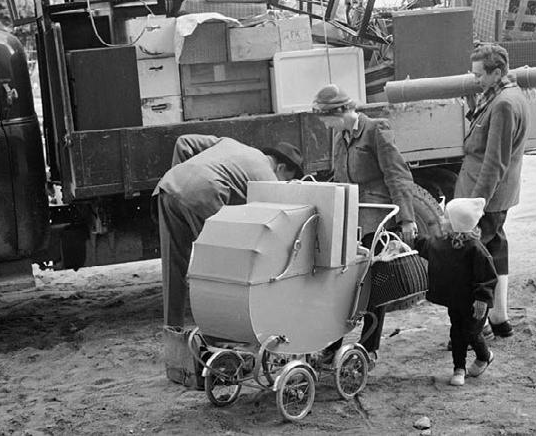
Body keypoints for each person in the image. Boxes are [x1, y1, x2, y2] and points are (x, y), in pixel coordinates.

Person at [313, 83, 417, 365]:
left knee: (371, 285)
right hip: (351, 216)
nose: (324, 124)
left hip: (376, 215)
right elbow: (339, 179)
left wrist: (406, 217)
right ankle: (332, 344)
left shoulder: (376, 130)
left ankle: (369, 347)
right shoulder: (340, 137)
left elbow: (397, 174)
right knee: (341, 281)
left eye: (325, 118)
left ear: (341, 111)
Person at [154, 134, 304, 327]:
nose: (282, 185)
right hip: (205, 194)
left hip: (169, 186)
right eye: (285, 180)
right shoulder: (266, 177)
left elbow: (184, 142)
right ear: (281, 168)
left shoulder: (231, 143)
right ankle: (222, 330)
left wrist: (183, 184)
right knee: (226, 267)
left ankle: (172, 328)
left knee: (173, 263)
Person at [455, 44, 529, 338]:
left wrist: (476, 204)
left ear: (497, 72)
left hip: (486, 195)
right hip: (496, 194)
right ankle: (500, 318)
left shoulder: (503, 104)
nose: (475, 80)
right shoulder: (506, 96)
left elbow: (495, 160)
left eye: (479, 75)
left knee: (474, 260)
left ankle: (475, 326)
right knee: (496, 251)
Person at [415, 197, 498, 386]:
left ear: (456, 224)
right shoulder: (442, 243)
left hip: (476, 302)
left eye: (445, 217)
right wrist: (411, 240)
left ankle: (485, 356)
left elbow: (488, 276)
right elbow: (426, 245)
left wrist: (482, 298)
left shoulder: (476, 249)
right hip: (456, 300)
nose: (441, 219)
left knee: (471, 332)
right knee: (457, 333)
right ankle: (458, 368)